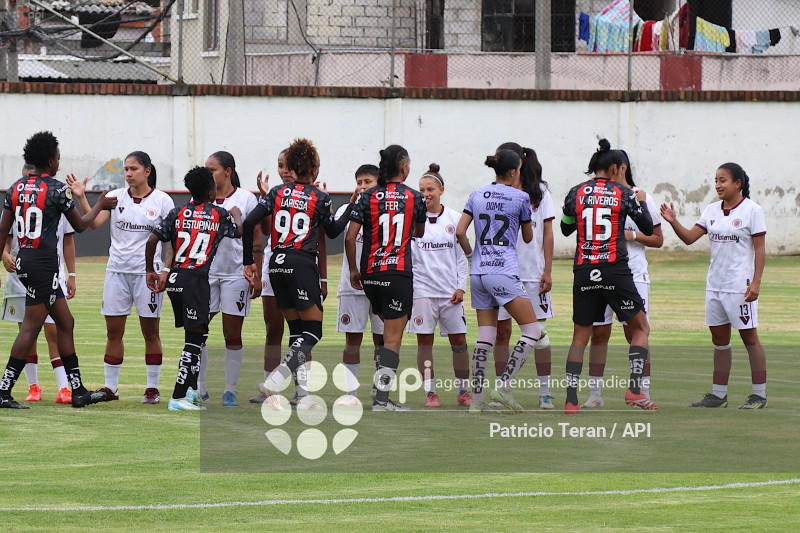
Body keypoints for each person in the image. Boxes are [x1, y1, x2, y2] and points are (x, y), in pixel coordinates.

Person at [0, 131, 117, 409]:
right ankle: (3, 390)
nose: (59, 163)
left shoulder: (15, 188)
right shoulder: (55, 189)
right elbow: (80, 225)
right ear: (51, 159)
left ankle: (77, 391)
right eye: (58, 158)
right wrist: (99, 203)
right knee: (31, 327)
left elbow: (2, 231)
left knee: (66, 323)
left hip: (26, 262)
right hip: (44, 266)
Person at [66, 151, 174, 405]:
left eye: (133, 169)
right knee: (113, 331)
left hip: (147, 276)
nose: (128, 173)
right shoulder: (115, 196)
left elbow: (170, 241)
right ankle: (110, 389)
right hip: (116, 272)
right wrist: (82, 196)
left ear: (147, 171)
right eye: (125, 169)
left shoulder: (162, 201)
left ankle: (152, 388)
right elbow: (93, 222)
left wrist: (165, 270)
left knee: (151, 332)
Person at [243, 138, 343, 410]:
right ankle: (278, 379)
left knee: (296, 331)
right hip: (301, 263)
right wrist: (352, 209)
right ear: (311, 168)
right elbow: (332, 232)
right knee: (314, 330)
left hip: (276, 263)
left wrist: (248, 260)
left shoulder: (276, 192)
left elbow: (251, 221)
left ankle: (300, 394)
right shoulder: (318, 196)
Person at [660, 163, 767, 409]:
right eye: (716, 180)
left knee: (750, 338)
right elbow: (689, 238)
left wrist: (757, 282)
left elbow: (760, 250)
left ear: (737, 183)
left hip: (740, 287)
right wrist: (673, 221)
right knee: (719, 340)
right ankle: (719, 396)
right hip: (714, 287)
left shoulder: (752, 210)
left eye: (723, 180)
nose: (718, 185)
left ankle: (759, 395)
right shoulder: (711, 210)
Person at [560, 139, 656, 414]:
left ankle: (570, 400)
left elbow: (566, 228)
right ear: (615, 168)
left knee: (581, 335)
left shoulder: (575, 192)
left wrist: (577, 218)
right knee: (640, 328)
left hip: (583, 270)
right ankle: (635, 390)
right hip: (615, 269)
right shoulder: (623, 193)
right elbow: (647, 227)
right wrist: (640, 203)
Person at [146, 166, 242, 411]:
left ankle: (190, 391)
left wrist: (151, 269)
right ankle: (178, 397)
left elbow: (153, 239)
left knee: (199, 337)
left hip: (176, 278)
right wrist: (236, 213)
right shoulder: (219, 214)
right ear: (211, 190)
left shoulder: (178, 213)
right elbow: (239, 230)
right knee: (194, 340)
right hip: (196, 280)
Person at [456, 149, 542, 413]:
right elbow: (528, 238)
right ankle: (504, 386)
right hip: (503, 271)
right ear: (515, 171)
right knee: (533, 331)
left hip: (478, 273)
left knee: (485, 335)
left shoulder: (477, 194)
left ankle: (477, 402)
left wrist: (472, 255)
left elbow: (460, 231)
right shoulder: (521, 197)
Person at [346, 144, 427, 412]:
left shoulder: (367, 197)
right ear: (404, 166)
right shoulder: (415, 197)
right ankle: (382, 399)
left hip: (370, 274)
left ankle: (378, 390)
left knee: (385, 332)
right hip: (397, 273)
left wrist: (354, 270)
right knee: (392, 339)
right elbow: (419, 232)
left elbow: (349, 237)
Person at [583, 148, 663, 408]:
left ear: (621, 168)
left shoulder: (640, 197)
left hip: (634, 274)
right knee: (599, 333)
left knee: (636, 333)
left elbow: (658, 239)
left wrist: (634, 236)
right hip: (602, 271)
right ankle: (595, 395)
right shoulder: (597, 197)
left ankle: (641, 391)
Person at [2, 163, 75, 404]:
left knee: (59, 324)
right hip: (39, 268)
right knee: (31, 329)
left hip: (35, 268)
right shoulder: (52, 193)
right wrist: (4, 256)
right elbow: (5, 236)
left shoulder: (22, 194)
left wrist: (71, 275)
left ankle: (71, 387)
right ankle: (19, 388)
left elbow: (68, 239)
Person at [194, 151, 261, 407]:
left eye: (213, 169)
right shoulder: (200, 198)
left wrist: (256, 272)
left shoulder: (246, 198)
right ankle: (201, 389)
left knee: (232, 334)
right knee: (199, 330)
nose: (209, 174)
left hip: (236, 274)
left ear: (228, 171)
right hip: (206, 273)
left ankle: (229, 390)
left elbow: (256, 237)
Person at [492, 143, 556, 410]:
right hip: (501, 271)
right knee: (502, 332)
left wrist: (548, 269)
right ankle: (502, 389)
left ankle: (545, 393)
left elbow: (548, 232)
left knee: (539, 333)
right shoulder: (494, 191)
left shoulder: (539, 193)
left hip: (532, 273)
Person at [408, 163, 470, 408]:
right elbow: (410, 258)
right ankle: (430, 393)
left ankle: (463, 392)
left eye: (430, 189)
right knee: (424, 343)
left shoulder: (455, 219)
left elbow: (462, 257)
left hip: (450, 294)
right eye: (422, 189)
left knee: (460, 342)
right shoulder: (413, 222)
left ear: (441, 190)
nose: (426, 193)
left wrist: (460, 288)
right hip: (422, 293)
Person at [334, 164, 384, 405]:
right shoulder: (346, 209)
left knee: (381, 339)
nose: (362, 187)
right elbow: (335, 231)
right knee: (352, 338)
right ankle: (350, 393)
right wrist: (353, 204)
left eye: (368, 182)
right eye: (359, 182)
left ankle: (379, 386)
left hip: (382, 283)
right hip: (351, 286)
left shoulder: (387, 212)